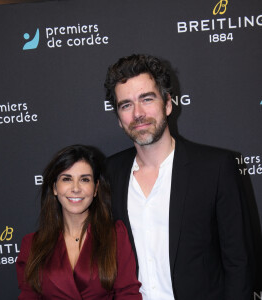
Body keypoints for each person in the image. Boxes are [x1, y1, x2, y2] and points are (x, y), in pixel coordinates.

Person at [104, 54, 252, 300]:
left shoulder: (215, 168)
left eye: (147, 99)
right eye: (126, 105)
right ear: (119, 119)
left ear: (168, 103)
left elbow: (240, 262)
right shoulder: (109, 173)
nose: (138, 113)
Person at [16, 145, 142, 299]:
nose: (76, 188)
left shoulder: (115, 235)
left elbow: (128, 294)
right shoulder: (32, 244)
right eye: (67, 179)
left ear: (95, 189)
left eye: (84, 179)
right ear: (55, 187)